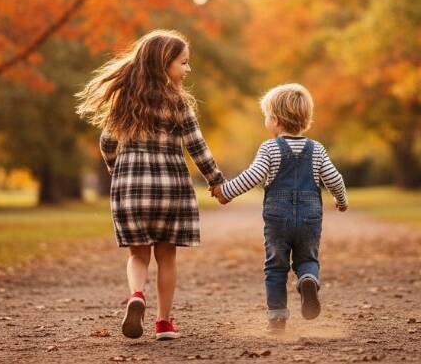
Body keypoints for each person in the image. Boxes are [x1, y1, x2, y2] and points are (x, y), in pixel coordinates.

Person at [76, 29, 224, 340]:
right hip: (171, 189)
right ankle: (164, 323)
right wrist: (216, 182)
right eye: (183, 63)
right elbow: (197, 147)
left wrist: (118, 170)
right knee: (167, 256)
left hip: (131, 189)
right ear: (163, 64)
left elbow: (106, 143)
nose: (188, 69)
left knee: (138, 255)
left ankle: (136, 296)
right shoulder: (179, 103)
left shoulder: (123, 102)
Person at [212, 83, 348, 333]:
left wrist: (226, 192)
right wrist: (341, 200)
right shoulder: (316, 149)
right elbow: (334, 179)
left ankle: (276, 318)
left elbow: (252, 176)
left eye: (266, 116)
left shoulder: (270, 148)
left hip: (277, 219)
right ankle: (308, 280)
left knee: (276, 266)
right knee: (307, 258)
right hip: (309, 218)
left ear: (274, 120)